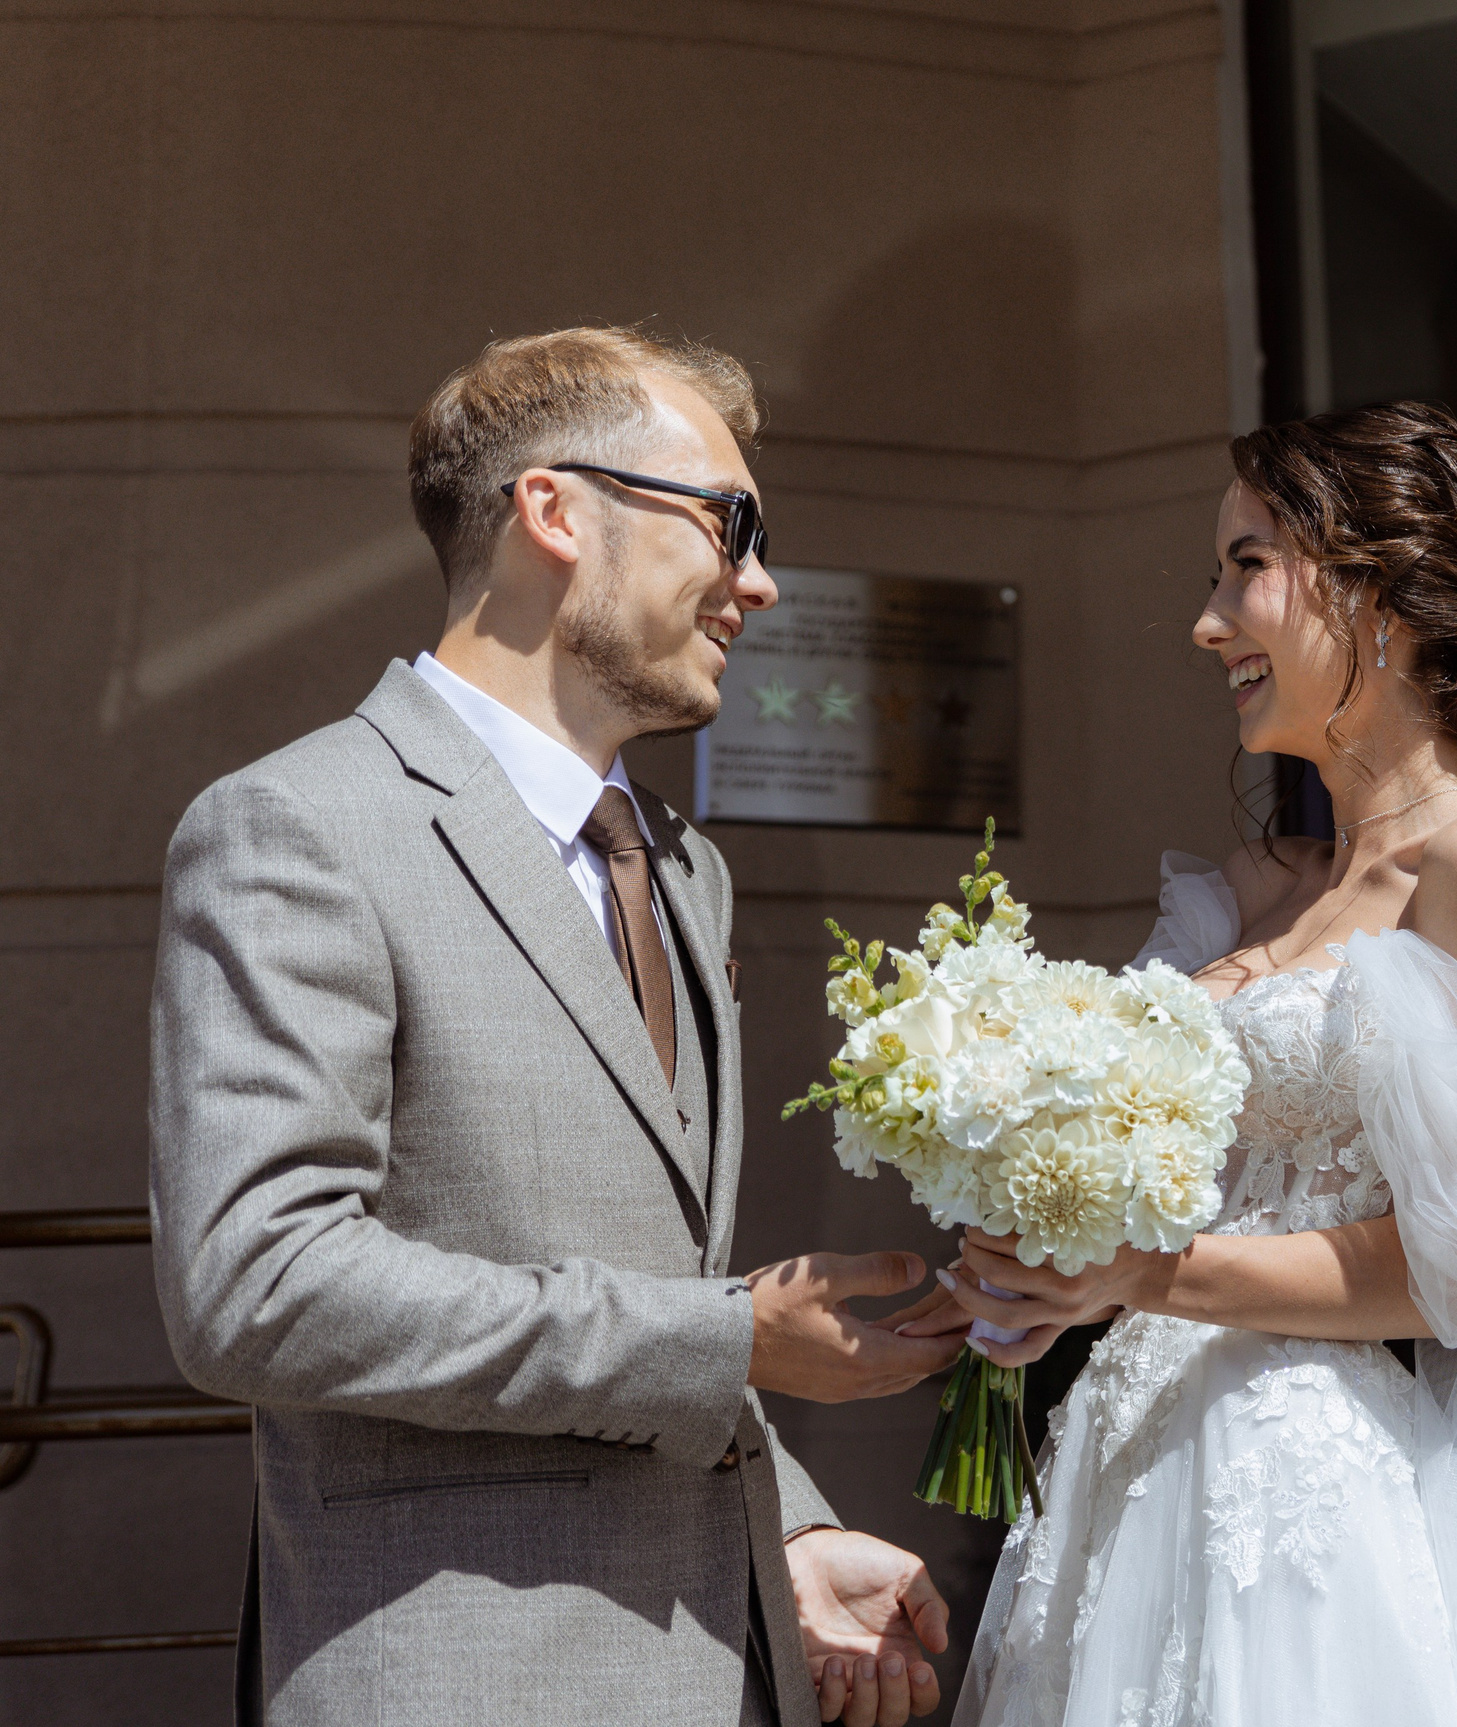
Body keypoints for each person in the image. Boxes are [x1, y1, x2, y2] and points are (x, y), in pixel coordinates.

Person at [150, 328, 971, 1727]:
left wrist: (783, 1524)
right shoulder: (297, 828)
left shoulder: (685, 871)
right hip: (456, 1680)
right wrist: (731, 1343)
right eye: (732, 524)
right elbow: (257, 1285)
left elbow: (649, 1282)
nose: (760, 582)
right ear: (554, 510)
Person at [911, 402, 1457, 1725]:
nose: (1208, 623)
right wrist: (1039, 1241)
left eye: (1249, 567)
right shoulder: (1251, 888)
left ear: (1376, 595)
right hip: (1126, 1457)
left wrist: (1149, 1275)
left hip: (1309, 1496)